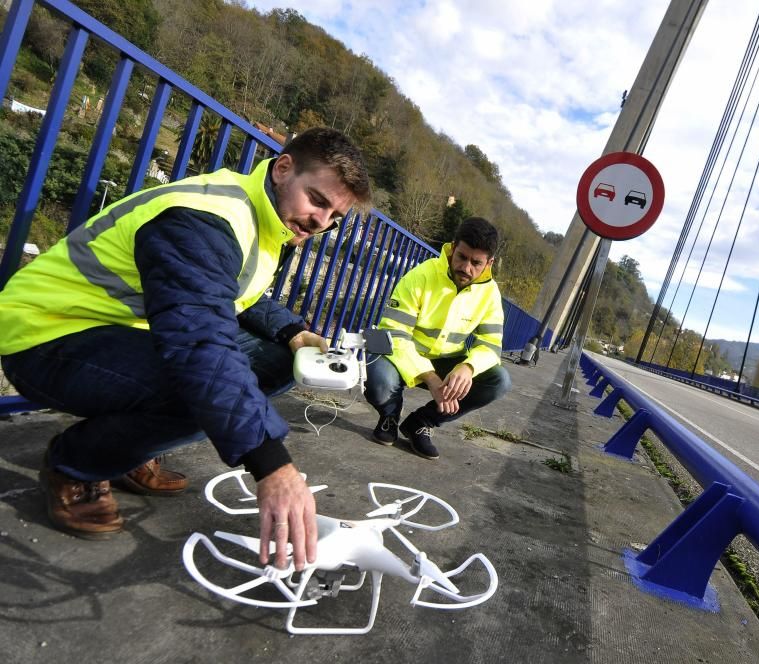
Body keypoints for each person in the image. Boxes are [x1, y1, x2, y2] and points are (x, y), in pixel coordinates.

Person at [0, 128, 370, 573]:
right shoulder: (204, 217)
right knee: (201, 392)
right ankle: (75, 465)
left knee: (282, 362)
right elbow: (200, 344)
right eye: (317, 199)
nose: (320, 222)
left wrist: (292, 332)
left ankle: (127, 448)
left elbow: (235, 294)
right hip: (44, 334)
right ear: (283, 168)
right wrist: (273, 467)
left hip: (118, 331)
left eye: (334, 215)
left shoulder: (264, 218)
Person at [364, 217, 512, 460]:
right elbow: (395, 334)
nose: (466, 267)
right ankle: (389, 415)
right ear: (453, 247)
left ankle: (421, 422)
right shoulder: (421, 275)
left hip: (446, 361)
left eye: (476, 263)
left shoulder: (490, 294)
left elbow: (491, 345)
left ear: (489, 263)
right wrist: (430, 378)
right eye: (462, 257)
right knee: (379, 383)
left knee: (499, 381)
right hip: (400, 355)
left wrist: (467, 367)